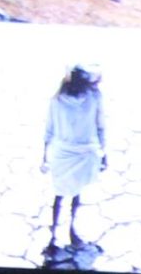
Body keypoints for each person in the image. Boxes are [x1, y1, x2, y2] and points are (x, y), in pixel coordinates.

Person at [41, 64, 105, 255]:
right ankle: (68, 232)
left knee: (61, 195)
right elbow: (100, 126)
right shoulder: (93, 97)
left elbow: (49, 130)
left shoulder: (57, 100)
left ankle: (55, 236)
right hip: (82, 153)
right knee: (74, 193)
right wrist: (104, 152)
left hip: (63, 154)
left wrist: (44, 157)